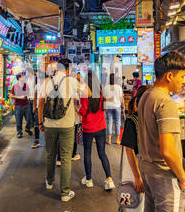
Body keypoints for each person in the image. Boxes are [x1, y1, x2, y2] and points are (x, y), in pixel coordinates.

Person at [138, 51, 185, 212]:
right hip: (165, 176)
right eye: (182, 76)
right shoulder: (166, 102)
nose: (184, 82)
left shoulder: (146, 96)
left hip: (148, 170)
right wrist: (183, 177)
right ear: (169, 76)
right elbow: (168, 151)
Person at [38, 58, 79, 202]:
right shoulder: (72, 82)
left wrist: (40, 123)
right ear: (68, 69)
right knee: (66, 158)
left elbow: (40, 105)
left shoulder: (47, 82)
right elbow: (90, 92)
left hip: (49, 124)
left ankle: (49, 182)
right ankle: (65, 193)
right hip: (67, 125)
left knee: (50, 154)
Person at [120, 85, 150, 212]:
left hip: (144, 172)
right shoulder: (132, 121)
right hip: (133, 174)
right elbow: (129, 150)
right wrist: (137, 177)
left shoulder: (148, 119)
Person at [78, 70, 115, 190]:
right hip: (101, 127)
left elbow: (83, 111)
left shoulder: (84, 94)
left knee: (87, 153)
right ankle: (109, 179)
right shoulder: (100, 94)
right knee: (102, 153)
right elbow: (104, 109)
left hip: (88, 128)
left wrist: (76, 109)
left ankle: (89, 179)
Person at [9, 72, 32, 138]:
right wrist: (19, 97)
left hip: (26, 104)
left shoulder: (26, 85)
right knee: (18, 120)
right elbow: (11, 95)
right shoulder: (15, 86)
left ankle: (27, 128)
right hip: (18, 105)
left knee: (29, 119)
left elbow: (28, 93)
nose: (24, 77)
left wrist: (26, 94)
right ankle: (19, 132)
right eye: (22, 76)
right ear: (19, 78)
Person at [104, 73, 125, 145]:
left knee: (109, 122)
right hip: (117, 106)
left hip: (108, 106)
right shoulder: (118, 87)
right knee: (117, 122)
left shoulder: (106, 87)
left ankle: (109, 140)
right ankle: (117, 140)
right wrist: (123, 105)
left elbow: (104, 98)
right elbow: (121, 98)